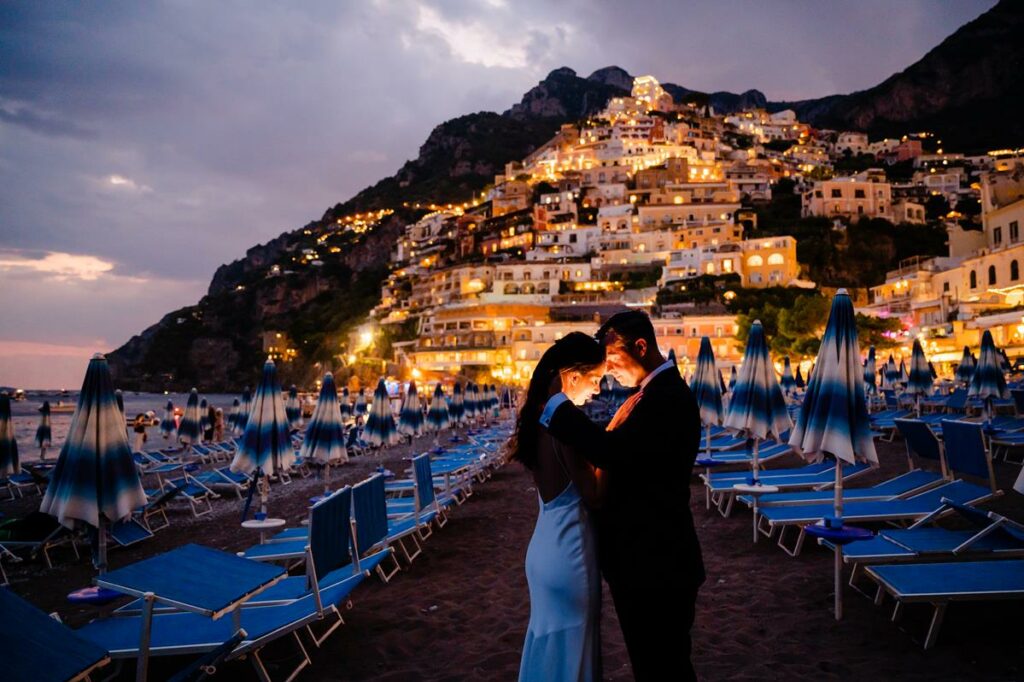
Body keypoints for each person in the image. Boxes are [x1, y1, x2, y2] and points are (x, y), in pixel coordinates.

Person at [539, 310, 705, 681]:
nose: (609, 369)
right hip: (647, 565)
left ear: (641, 347)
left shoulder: (668, 399)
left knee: (664, 667)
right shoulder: (651, 396)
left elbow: (613, 452)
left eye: (612, 359)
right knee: (657, 666)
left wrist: (557, 406)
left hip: (657, 566)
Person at [514, 332, 607, 682]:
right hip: (570, 555)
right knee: (573, 653)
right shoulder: (563, 422)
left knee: (549, 648)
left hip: (542, 551)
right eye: (595, 379)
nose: (597, 389)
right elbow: (594, 493)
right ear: (572, 375)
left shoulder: (538, 419)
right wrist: (614, 452)